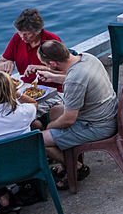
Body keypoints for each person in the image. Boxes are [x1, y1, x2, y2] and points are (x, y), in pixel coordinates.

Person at [38, 40, 117, 185]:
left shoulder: (74, 80)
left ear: (52, 64)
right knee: (55, 110)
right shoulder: (87, 58)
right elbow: (77, 80)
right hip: (106, 113)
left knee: (38, 140)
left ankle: (76, 167)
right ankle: (66, 161)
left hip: (96, 126)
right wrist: (53, 77)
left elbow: (69, 120)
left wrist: (50, 127)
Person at [0, 71, 40, 214]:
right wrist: (17, 94)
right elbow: (34, 104)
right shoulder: (24, 112)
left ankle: (2, 195)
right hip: (29, 165)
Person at [0, 8, 63, 89]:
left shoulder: (52, 40)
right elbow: (0, 63)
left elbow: (65, 72)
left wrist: (41, 68)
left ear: (38, 31)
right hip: (26, 88)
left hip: (53, 90)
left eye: (26, 34)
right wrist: (6, 64)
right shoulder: (17, 38)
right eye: (19, 32)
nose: (22, 37)